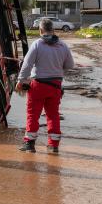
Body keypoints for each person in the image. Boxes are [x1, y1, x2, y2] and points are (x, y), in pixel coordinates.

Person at [16, 18, 74, 154]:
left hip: (38, 85)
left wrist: (21, 80)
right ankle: (53, 146)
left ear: (40, 30)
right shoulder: (63, 46)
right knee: (53, 115)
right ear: (53, 30)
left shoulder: (37, 44)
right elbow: (70, 65)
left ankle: (29, 145)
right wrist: (57, 69)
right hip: (56, 85)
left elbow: (27, 64)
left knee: (33, 114)